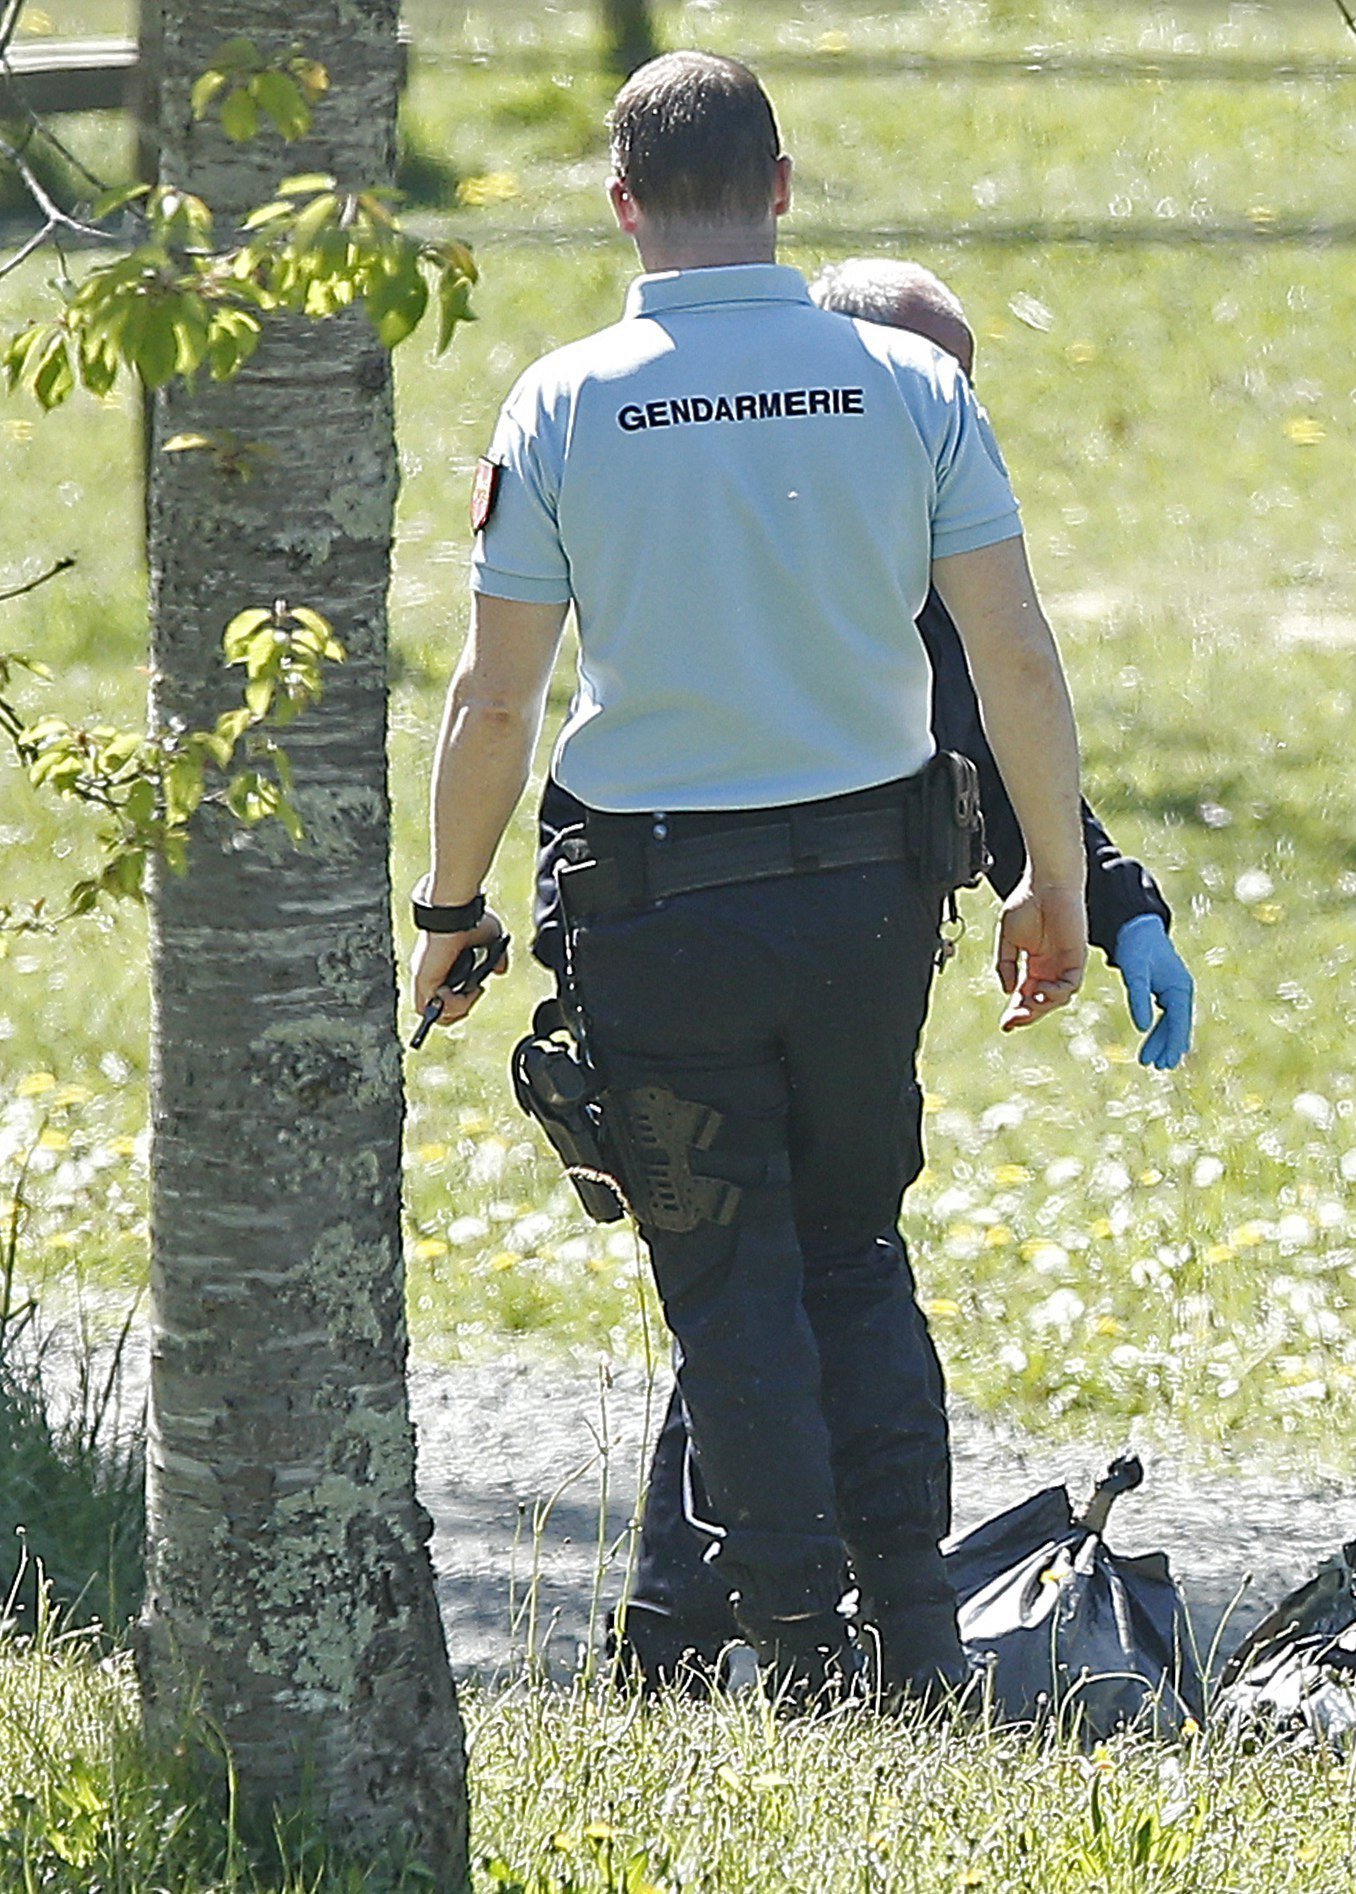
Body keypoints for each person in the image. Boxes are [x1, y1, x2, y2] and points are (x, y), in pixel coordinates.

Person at [409, 51, 1093, 1702]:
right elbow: (1009, 650)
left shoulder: (561, 401)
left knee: (726, 1278)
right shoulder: (911, 386)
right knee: (854, 1248)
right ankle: (917, 1638)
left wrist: (445, 907)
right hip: (870, 897)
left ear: (621, 201)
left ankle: (792, 1638)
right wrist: (1051, 878)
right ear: (782, 185)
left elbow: (496, 696)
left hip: (656, 906)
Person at [592, 257, 1197, 1688]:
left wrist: (1111, 905)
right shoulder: (756, 547)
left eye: (963, 387)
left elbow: (990, 722)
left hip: (822, 986)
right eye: (923, 380)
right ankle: (821, 1637)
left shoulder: (901, 543)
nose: (945, 415)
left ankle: (692, 1637)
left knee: (749, 1280)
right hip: (745, 964)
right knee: (777, 1277)